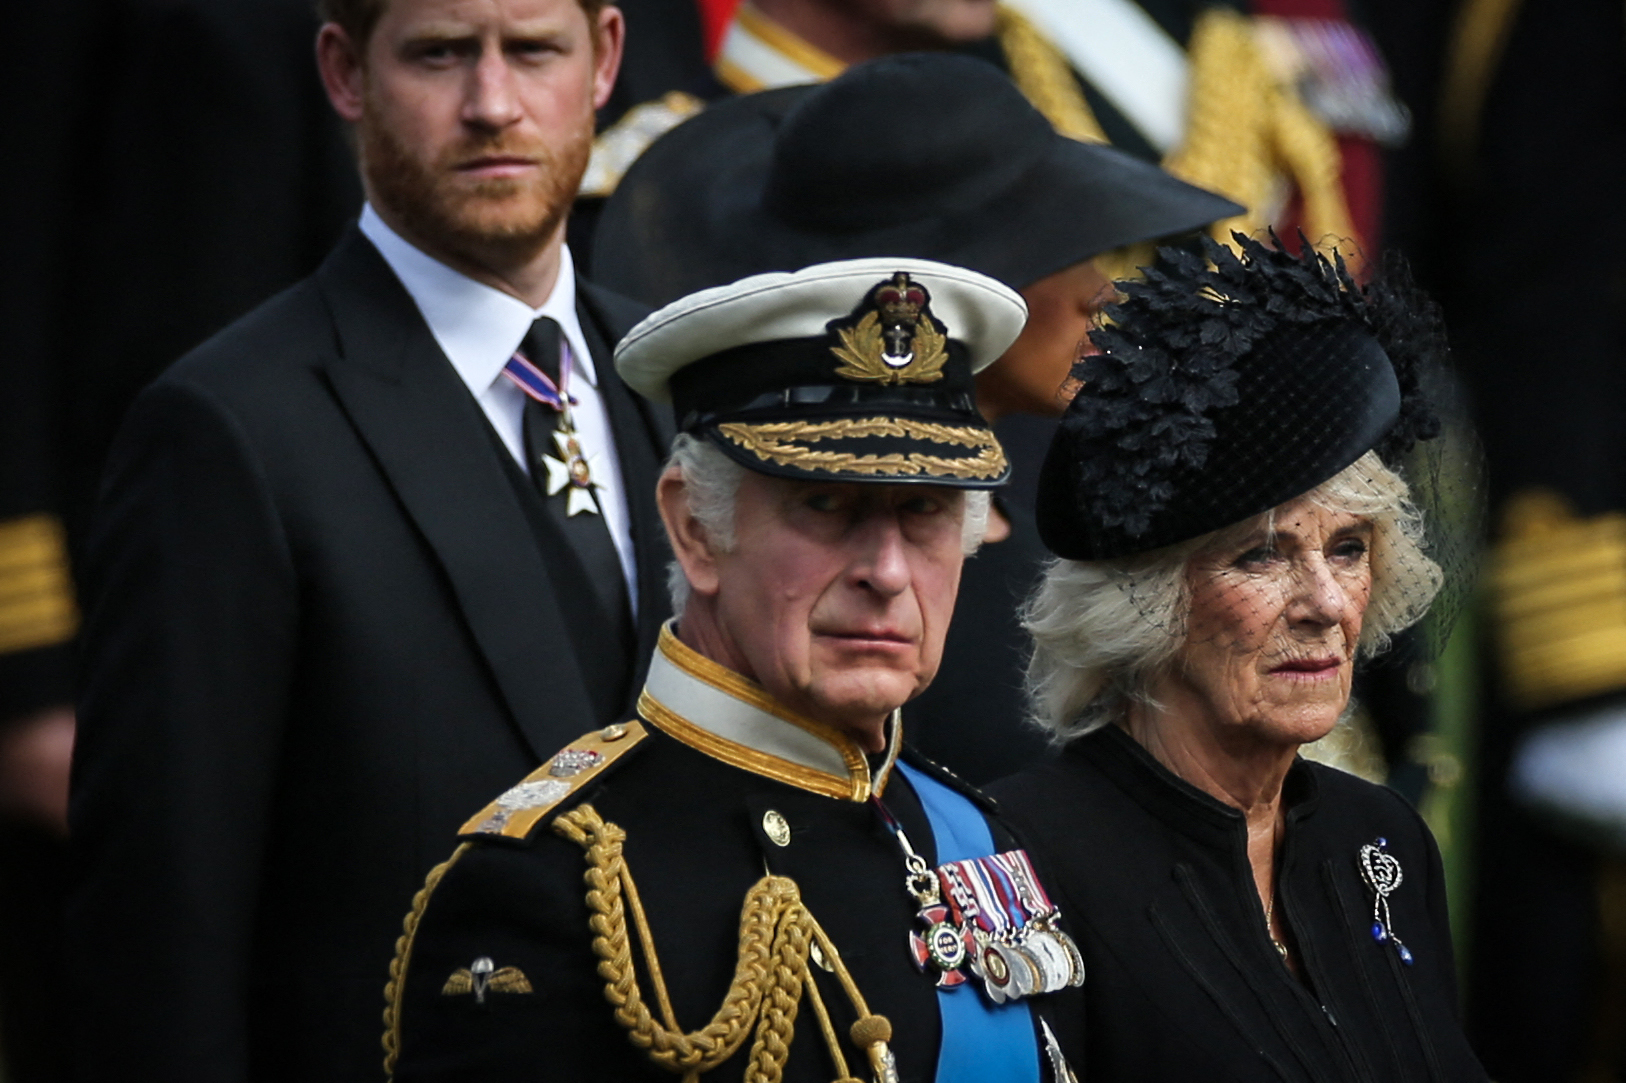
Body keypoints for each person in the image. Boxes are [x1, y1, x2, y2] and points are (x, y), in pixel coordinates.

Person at [67, 0, 675, 1080]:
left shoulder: (675, 386)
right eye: (440, 54)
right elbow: (162, 940)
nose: (493, 104)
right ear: (345, 72)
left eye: (533, 49)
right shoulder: (227, 430)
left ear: (605, 61)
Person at [384, 257, 1088, 1082]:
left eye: (924, 510)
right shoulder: (552, 888)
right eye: (826, 503)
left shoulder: (973, 834)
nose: (888, 572)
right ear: (694, 528)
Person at [594, 52, 1240, 781]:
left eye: (927, 512)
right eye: (828, 503)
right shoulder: (740, 560)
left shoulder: (1070, 531)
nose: (1105, 293)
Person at [987, 234, 1489, 1080]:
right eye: (1261, 554)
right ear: (1145, 600)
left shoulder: (1384, 840)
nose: (1326, 603)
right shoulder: (1020, 861)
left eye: (1350, 548)